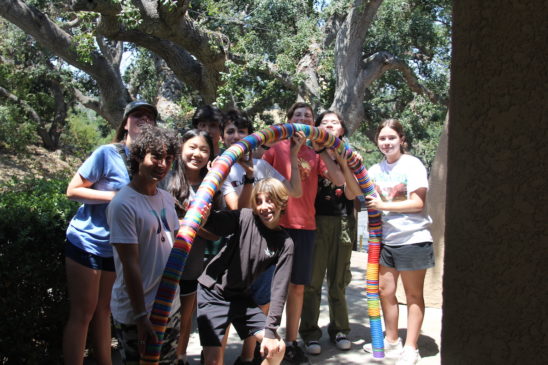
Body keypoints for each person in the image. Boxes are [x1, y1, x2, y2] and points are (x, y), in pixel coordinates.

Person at [63, 100, 158, 365]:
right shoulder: (106, 153)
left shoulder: (148, 162)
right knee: (83, 312)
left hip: (118, 248)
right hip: (87, 242)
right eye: (138, 115)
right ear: (125, 122)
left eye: (150, 117)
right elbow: (73, 190)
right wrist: (115, 196)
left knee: (104, 311)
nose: (143, 120)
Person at [262, 102, 345, 364]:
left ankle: (291, 341)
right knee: (273, 287)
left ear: (312, 125)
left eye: (307, 116)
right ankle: (267, 339)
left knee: (298, 287)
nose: (302, 119)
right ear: (288, 121)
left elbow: (339, 180)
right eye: (297, 115)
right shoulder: (276, 149)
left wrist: (326, 150)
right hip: (278, 226)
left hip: (306, 227)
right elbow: (260, 180)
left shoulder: (314, 153)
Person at [219, 109, 304, 365]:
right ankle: (216, 358)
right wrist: (249, 177)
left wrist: (293, 154)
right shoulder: (219, 167)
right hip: (232, 250)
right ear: (223, 137)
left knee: (261, 303)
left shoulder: (263, 165)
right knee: (223, 310)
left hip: (263, 249)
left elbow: (294, 192)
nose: (236, 136)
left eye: (242, 131)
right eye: (230, 131)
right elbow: (238, 210)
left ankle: (248, 357)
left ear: (251, 136)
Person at [196, 178, 296, 365]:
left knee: (277, 349)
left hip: (240, 296)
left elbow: (280, 289)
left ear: (282, 202)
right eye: (259, 201)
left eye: (270, 200)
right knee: (213, 361)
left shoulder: (285, 243)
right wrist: (207, 215)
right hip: (213, 293)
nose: (264, 207)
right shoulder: (244, 217)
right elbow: (217, 222)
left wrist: (271, 330)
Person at [106, 125, 181, 364]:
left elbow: (173, 242)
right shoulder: (123, 204)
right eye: (156, 157)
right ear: (138, 156)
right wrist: (141, 317)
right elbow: (130, 265)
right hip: (138, 313)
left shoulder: (166, 198)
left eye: (168, 159)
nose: (162, 164)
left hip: (170, 305)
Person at [363, 119, 435, 365]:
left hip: (413, 239)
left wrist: (383, 205)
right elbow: (356, 193)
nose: (386, 142)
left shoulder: (412, 165)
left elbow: (417, 203)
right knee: (385, 291)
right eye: (382, 138)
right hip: (386, 241)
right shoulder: (374, 170)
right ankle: (391, 340)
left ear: (401, 140)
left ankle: (411, 347)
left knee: (413, 295)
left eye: (391, 137)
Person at [299, 111, 363, 355]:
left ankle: (340, 330)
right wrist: (320, 151)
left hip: (343, 221)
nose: (328, 126)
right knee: (312, 282)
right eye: (323, 123)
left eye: (333, 123)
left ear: (342, 129)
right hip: (314, 221)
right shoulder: (308, 153)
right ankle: (310, 333)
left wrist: (343, 160)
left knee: (338, 282)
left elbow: (351, 193)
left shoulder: (352, 155)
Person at [160, 129, 216, 365]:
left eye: (204, 149)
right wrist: (186, 224)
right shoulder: (165, 179)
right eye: (192, 147)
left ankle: (180, 356)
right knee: (162, 315)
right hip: (163, 261)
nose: (197, 154)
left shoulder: (212, 184)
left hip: (192, 264)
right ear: (181, 148)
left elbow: (214, 231)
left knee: (185, 316)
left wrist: (189, 225)